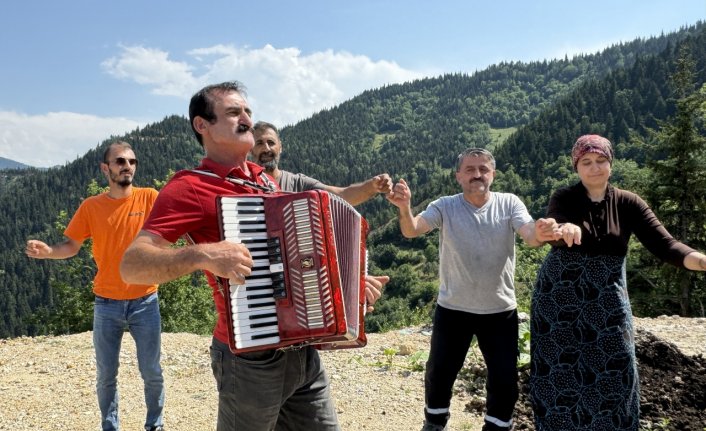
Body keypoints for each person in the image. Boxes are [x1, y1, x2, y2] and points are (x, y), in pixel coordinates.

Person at [119, 81, 385, 431]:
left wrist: (345, 288)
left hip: (302, 352)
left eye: (247, 112)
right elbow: (132, 265)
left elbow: (293, 261)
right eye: (233, 113)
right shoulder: (188, 187)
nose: (246, 119)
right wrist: (202, 254)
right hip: (249, 359)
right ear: (203, 125)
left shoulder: (262, 179)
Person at [529, 134, 706, 430]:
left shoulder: (629, 203)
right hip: (559, 300)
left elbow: (666, 246)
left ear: (611, 164)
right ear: (577, 166)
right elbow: (555, 224)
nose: (594, 167)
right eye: (586, 162)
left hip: (608, 300)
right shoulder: (564, 197)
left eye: (601, 161)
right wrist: (560, 229)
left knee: (617, 369)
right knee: (560, 373)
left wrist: (701, 261)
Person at [386, 148, 557, 431]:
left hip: (500, 311)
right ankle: (435, 422)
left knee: (503, 378)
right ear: (458, 176)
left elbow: (529, 234)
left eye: (483, 169)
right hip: (453, 309)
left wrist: (542, 231)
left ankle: (497, 426)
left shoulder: (509, 203)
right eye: (469, 169)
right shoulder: (445, 205)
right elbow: (413, 229)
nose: (477, 174)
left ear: (493, 174)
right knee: (439, 373)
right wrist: (405, 208)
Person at [25, 141, 163, 431]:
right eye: (120, 161)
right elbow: (71, 246)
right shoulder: (91, 206)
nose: (128, 166)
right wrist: (49, 251)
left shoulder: (150, 197)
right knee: (106, 375)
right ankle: (109, 427)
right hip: (106, 303)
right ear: (106, 168)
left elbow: (176, 224)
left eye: (132, 161)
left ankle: (155, 426)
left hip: (145, 300)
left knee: (151, 372)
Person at [251, 121, 393, 205]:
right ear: (250, 149)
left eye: (271, 142)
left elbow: (342, 195)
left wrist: (373, 186)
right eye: (259, 143)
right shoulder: (240, 183)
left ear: (280, 147)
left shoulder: (299, 184)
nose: (266, 148)